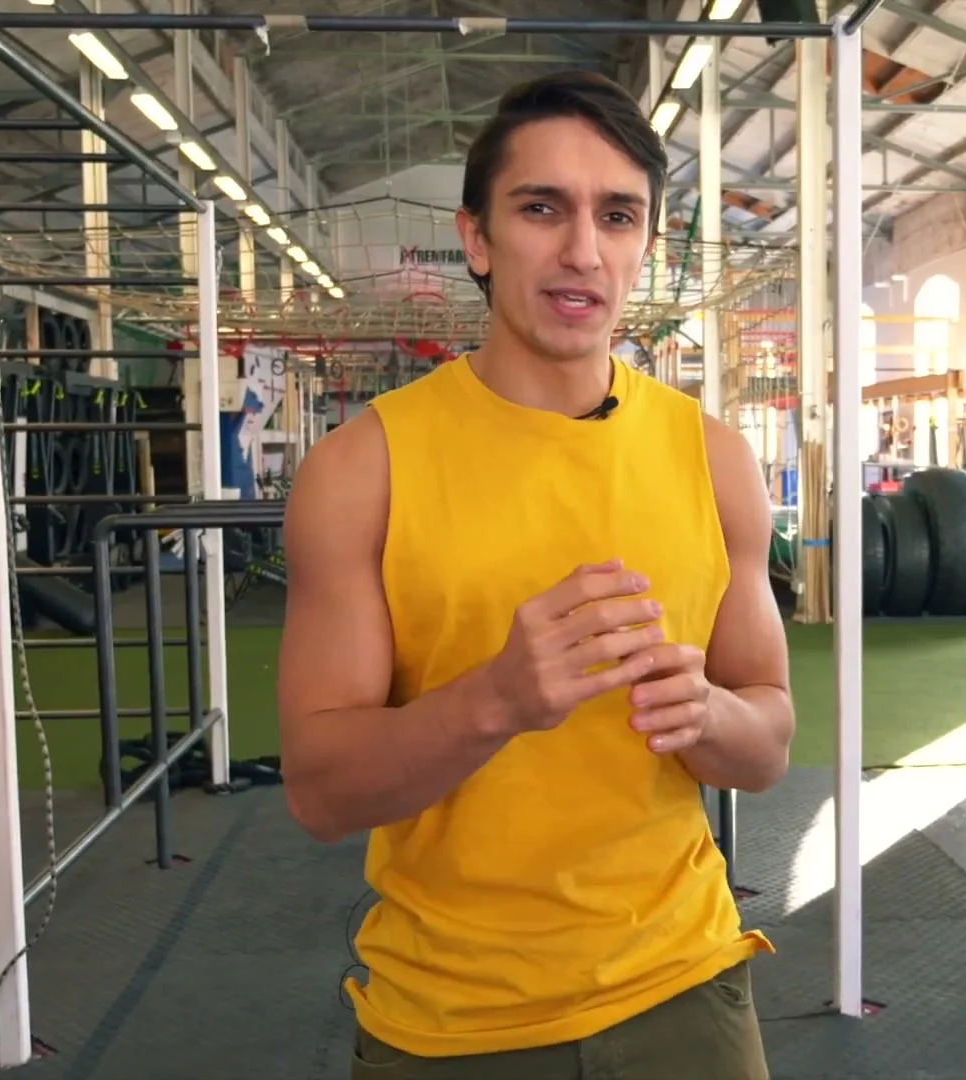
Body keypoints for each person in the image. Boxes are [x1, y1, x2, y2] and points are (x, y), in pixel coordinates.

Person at [276, 70, 794, 1080]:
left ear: (646, 244)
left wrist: (706, 715)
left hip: (685, 989)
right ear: (478, 238)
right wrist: (498, 699)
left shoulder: (715, 460)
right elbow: (320, 793)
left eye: (618, 215)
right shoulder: (361, 472)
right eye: (542, 208)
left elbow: (768, 741)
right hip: (453, 1020)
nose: (581, 250)